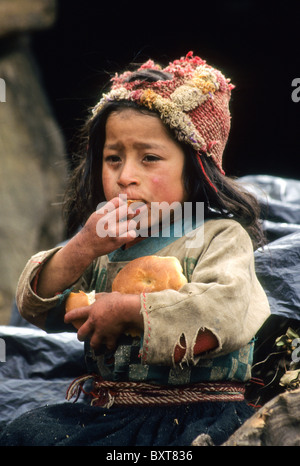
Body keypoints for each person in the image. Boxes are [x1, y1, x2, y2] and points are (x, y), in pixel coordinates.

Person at [0, 52, 270, 446]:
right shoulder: (104, 246)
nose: (125, 176)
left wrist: (129, 311)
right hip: (111, 413)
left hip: (198, 416)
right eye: (113, 159)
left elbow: (224, 313)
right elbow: (37, 308)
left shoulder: (220, 237)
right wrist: (81, 248)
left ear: (194, 168)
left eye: (149, 158)